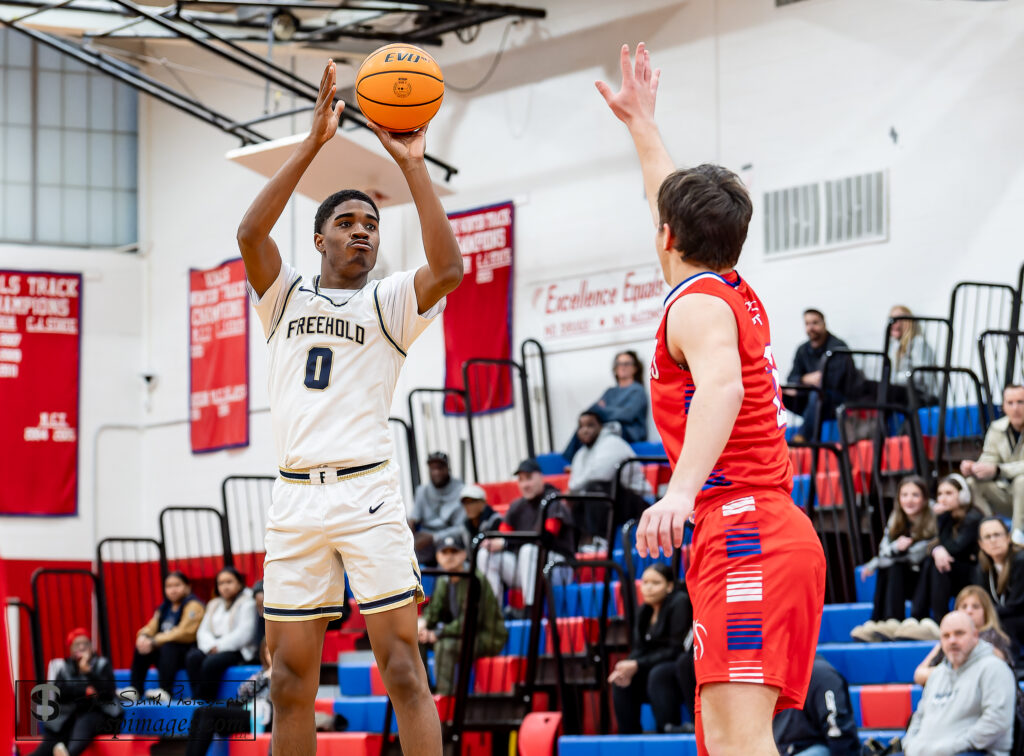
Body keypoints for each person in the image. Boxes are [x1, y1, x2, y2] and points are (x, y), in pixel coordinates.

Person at [598, 43, 826, 756]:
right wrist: (643, 125)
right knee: (722, 741)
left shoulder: (696, 308)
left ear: (668, 238)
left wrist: (676, 492)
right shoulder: (718, 286)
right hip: (747, 533)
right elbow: (662, 189)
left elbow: (723, 389)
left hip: (748, 533)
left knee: (736, 744)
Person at [236, 59, 462, 756]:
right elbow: (249, 233)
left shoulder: (389, 299)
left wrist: (413, 166)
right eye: (347, 222)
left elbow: (449, 268)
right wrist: (311, 145)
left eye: (370, 223)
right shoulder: (286, 297)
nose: (363, 231)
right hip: (295, 499)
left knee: (402, 668)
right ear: (320, 238)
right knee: (288, 678)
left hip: (366, 492)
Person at [900, 610, 1014, 756]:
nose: (952, 640)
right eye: (946, 636)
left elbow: (996, 723)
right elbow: (918, 717)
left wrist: (952, 747)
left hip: (970, 752)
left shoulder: (994, 668)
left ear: (975, 636)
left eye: (959, 633)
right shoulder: (937, 674)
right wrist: (910, 745)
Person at [476, 458, 574, 612]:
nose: (525, 484)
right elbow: (503, 536)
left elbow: (546, 538)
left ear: (540, 478)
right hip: (526, 570)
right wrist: (494, 544)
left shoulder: (553, 500)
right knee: (485, 555)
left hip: (557, 568)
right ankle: (494, 613)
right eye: (521, 480)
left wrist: (505, 543)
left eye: (529, 478)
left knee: (529, 550)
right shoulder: (516, 506)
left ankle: (531, 609)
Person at [417, 535, 507, 696]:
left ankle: (446, 699)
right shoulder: (444, 579)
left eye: (454, 552)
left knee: (444, 646)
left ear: (464, 554)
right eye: (444, 552)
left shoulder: (474, 579)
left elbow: (470, 621)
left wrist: (437, 633)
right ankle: (425, 693)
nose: (449, 556)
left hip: (485, 636)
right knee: (417, 640)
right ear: (438, 556)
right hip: (461, 634)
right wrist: (423, 625)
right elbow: (434, 611)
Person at [608, 563, 692, 734]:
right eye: (645, 582)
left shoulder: (680, 602)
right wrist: (627, 666)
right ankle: (628, 738)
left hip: (679, 665)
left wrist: (638, 664)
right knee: (622, 681)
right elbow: (639, 648)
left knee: (658, 673)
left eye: (655, 583)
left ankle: (668, 730)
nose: (648, 588)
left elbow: (677, 649)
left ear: (669, 586)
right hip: (652, 665)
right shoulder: (644, 610)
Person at [850, 477, 937, 642]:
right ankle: (882, 621)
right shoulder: (896, 516)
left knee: (895, 563)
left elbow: (923, 551)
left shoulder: (933, 515)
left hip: (924, 577)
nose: (909, 500)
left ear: (925, 499)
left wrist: (888, 556)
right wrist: (895, 548)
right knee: (890, 566)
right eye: (904, 495)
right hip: (904, 574)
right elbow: (884, 549)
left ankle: (894, 621)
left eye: (915, 495)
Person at [567, 406, 649, 547]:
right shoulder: (580, 454)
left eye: (590, 425)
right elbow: (574, 484)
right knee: (576, 499)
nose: (585, 430)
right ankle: (578, 546)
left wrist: (574, 487)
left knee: (596, 489)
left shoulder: (612, 443)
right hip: (613, 502)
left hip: (637, 501)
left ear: (602, 426)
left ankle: (600, 540)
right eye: (581, 426)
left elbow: (600, 474)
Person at [30, 629, 122, 756]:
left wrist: (89, 672)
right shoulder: (64, 668)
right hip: (71, 717)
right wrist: (85, 691)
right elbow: (59, 693)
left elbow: (107, 692)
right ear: (70, 649)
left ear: (91, 646)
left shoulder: (102, 664)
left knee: (85, 719)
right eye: (77, 644)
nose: (82, 647)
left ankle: (69, 754)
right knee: (54, 736)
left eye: (85, 643)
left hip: (102, 716)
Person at [908, 474, 982, 631]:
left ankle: (938, 621)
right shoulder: (949, 517)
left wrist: (942, 521)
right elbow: (932, 545)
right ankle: (917, 617)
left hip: (974, 575)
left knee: (938, 565)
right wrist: (937, 550)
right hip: (954, 571)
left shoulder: (973, 517)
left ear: (963, 495)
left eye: (949, 493)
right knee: (931, 562)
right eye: (940, 494)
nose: (943, 498)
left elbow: (955, 548)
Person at [126, 571, 204, 703]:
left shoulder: (193, 605)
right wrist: (144, 636)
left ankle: (165, 691)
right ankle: (135, 690)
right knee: (142, 646)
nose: (173, 590)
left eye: (177, 585)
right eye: (169, 586)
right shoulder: (164, 607)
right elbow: (151, 627)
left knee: (169, 646)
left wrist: (155, 641)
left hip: (187, 653)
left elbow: (185, 632)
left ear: (187, 587)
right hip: (165, 654)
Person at [185, 638, 273, 756]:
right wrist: (265, 676)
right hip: (250, 711)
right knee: (200, 711)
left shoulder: (285, 675)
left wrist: (271, 676)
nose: (270, 657)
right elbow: (242, 693)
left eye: (273, 653)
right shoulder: (263, 674)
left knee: (208, 713)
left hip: (266, 717)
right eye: (267, 653)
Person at [961, 384, 1024, 545]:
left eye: (1020, 402)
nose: (1015, 408)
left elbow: (998, 469)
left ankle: (1017, 542)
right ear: (1003, 406)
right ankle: (993, 531)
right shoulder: (997, 428)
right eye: (1010, 403)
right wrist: (974, 468)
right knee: (972, 483)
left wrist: (998, 470)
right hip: (1010, 495)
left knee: (1021, 481)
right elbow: (989, 458)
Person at [913, 585, 1013, 686]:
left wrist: (946, 675)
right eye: (964, 606)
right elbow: (919, 674)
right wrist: (949, 674)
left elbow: (987, 674)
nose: (969, 611)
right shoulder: (950, 639)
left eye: (975, 606)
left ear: (986, 612)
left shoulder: (994, 639)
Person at [783, 309, 856, 441]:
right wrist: (805, 378)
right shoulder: (802, 350)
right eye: (807, 323)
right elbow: (791, 378)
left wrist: (812, 382)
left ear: (824, 324)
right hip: (809, 398)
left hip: (835, 400)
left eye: (815, 323)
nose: (811, 327)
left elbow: (835, 381)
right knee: (779, 391)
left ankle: (802, 437)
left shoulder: (838, 347)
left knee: (816, 394)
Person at [185, 567, 257, 702]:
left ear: (240, 583)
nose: (225, 587)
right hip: (212, 647)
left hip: (237, 650)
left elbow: (244, 634)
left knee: (211, 663)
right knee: (192, 657)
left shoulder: (248, 602)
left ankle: (206, 701)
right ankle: (197, 699)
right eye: (221, 583)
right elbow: (202, 631)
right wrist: (211, 646)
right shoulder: (214, 604)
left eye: (229, 582)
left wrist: (218, 646)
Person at [562, 351, 649, 461]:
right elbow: (591, 412)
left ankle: (586, 463)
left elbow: (627, 415)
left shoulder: (638, 390)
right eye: (619, 364)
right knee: (585, 427)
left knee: (604, 429)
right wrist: (612, 411)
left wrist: (603, 410)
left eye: (627, 364)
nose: (622, 367)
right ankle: (571, 462)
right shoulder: (610, 392)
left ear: (635, 368)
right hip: (612, 427)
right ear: (615, 368)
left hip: (629, 433)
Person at [772, 656, 860, 756]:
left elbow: (838, 732)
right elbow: (838, 733)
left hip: (799, 748)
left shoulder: (820, 674)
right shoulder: (822, 674)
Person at [973, 516, 1024, 651]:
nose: (993, 540)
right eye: (988, 537)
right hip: (1004, 617)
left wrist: (986, 612)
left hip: (1018, 617)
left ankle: (1017, 667)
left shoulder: (1020, 560)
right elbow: (983, 601)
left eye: (997, 534)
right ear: (981, 544)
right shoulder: (982, 568)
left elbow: (1017, 605)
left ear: (1008, 537)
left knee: (1005, 623)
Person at [409, 451, 466, 565]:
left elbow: (461, 529)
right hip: (425, 538)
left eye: (440, 468)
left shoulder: (461, 490)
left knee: (447, 552)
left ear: (447, 468)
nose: (436, 472)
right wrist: (410, 536)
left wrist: (434, 537)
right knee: (408, 556)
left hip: (450, 538)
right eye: (432, 469)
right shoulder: (422, 490)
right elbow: (413, 519)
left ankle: (444, 582)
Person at [884, 305, 937, 405]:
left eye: (898, 319)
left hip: (919, 394)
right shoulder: (894, 347)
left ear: (907, 322)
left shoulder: (918, 343)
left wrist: (895, 379)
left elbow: (919, 376)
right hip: (901, 391)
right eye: (891, 319)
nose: (893, 323)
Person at [458, 484, 502, 550]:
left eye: (471, 502)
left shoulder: (495, 521)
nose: (467, 506)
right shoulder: (464, 524)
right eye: (465, 503)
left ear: (483, 502)